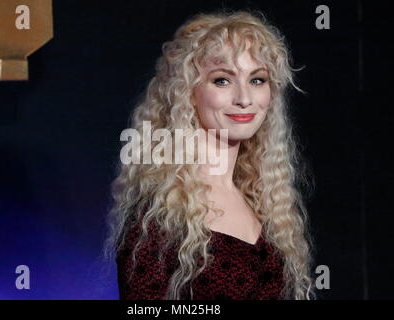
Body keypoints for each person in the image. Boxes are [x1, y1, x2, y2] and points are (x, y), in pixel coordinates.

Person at [103, 10, 315, 300]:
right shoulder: (160, 214)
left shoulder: (266, 204)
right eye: (222, 80)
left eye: (257, 80)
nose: (244, 98)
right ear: (187, 93)